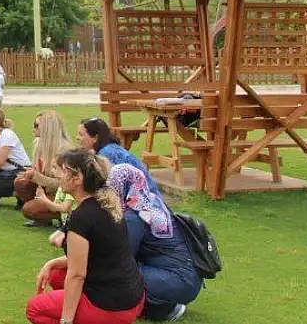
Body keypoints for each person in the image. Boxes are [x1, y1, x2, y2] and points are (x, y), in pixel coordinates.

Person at [27, 149, 146, 324]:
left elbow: (77, 275)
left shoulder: (81, 217)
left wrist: (65, 320)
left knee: (35, 308)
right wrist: (51, 263)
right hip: (132, 297)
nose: (58, 174)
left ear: (78, 179)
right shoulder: (106, 202)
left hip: (111, 307)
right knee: (56, 274)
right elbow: (97, 255)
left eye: (63, 170)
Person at [109, 165, 201, 321]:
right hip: (188, 277)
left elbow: (122, 258)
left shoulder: (134, 217)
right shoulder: (150, 201)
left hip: (178, 279)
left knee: (119, 273)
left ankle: (166, 308)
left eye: (112, 187)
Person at [17, 111, 75, 227]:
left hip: (63, 193)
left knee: (29, 209)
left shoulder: (64, 150)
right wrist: (31, 174)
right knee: (21, 183)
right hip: (47, 189)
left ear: (47, 128)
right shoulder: (39, 143)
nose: (33, 127)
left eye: (36, 125)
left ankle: (62, 215)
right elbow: (37, 172)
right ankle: (45, 217)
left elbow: (67, 183)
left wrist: (39, 178)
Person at [78, 117, 161, 196]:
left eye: (81, 135)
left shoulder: (107, 154)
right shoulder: (109, 149)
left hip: (145, 204)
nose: (77, 138)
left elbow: (114, 190)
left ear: (95, 138)